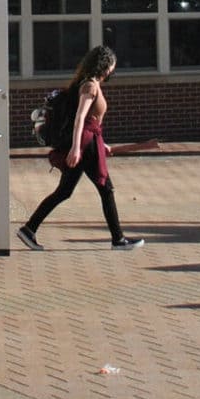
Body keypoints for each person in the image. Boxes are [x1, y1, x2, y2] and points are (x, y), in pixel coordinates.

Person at [19, 44, 141, 250]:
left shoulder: (89, 84)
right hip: (86, 144)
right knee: (106, 188)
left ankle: (29, 229)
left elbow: (92, 122)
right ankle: (118, 239)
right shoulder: (90, 86)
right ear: (104, 65)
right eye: (112, 66)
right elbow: (80, 118)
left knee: (65, 191)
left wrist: (101, 145)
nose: (113, 70)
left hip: (90, 142)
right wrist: (76, 148)